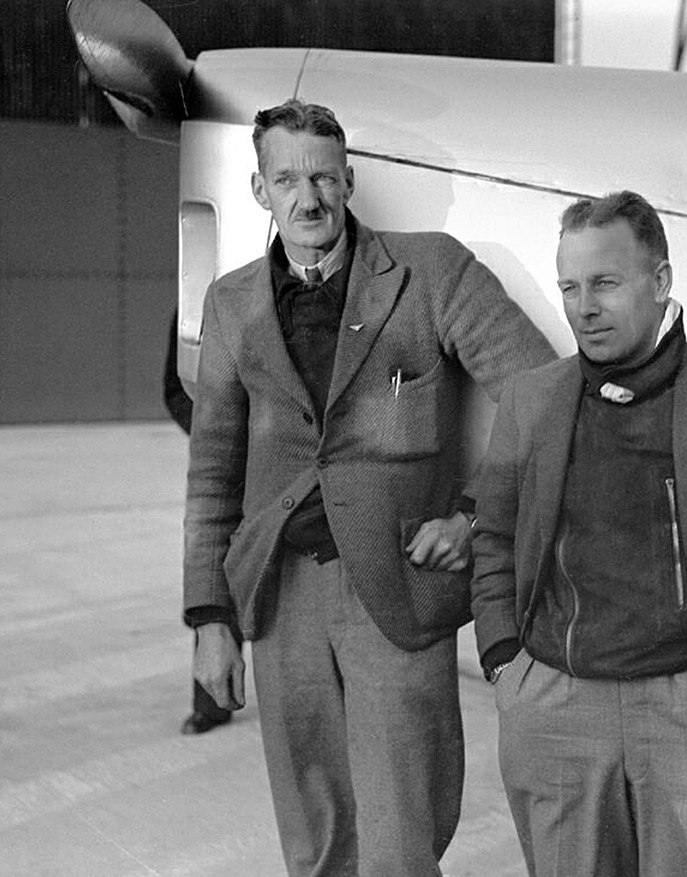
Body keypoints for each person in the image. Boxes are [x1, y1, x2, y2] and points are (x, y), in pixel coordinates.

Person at [183, 98, 555, 875]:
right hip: (280, 594)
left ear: (349, 181)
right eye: (287, 179)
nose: (308, 197)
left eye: (323, 177)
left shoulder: (431, 272)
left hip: (396, 589)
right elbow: (213, 471)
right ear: (260, 191)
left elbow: (542, 396)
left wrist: (474, 516)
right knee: (313, 839)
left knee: (399, 839)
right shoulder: (231, 304)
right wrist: (210, 616)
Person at [470, 191, 687, 876]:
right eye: (570, 287)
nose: (584, 306)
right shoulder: (531, 400)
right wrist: (504, 658)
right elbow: (495, 534)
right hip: (556, 704)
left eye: (605, 282)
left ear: (660, 282)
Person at [162, 307, 241, 735]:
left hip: (288, 459)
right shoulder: (201, 303)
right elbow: (175, 389)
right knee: (214, 571)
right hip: (228, 459)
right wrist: (219, 431)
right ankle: (212, 703)